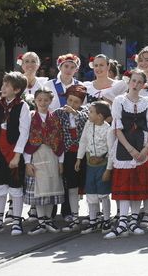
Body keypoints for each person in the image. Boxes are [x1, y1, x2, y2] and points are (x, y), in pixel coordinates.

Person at [108, 70, 148, 237]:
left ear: (143, 85)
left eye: (139, 82)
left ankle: (133, 221)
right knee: (124, 184)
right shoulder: (119, 101)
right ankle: (122, 221)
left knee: (138, 183)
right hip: (125, 146)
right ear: (128, 82)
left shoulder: (147, 102)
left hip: (142, 146)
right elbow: (117, 128)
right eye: (134, 81)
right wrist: (130, 149)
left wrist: (146, 148)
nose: (136, 84)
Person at [0, 72, 31, 235]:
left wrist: (17, 155)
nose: (3, 88)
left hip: (14, 151)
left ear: (16, 90)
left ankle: (17, 221)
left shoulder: (23, 106)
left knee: (16, 188)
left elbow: (24, 132)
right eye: (3, 84)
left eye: (7, 85)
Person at [23, 87, 65, 234]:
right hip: (36, 155)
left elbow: (60, 140)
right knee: (39, 189)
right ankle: (41, 221)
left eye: (46, 100)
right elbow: (25, 140)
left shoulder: (54, 118)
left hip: (52, 155)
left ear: (51, 101)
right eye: (39, 100)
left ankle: (48, 219)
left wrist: (61, 162)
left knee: (51, 187)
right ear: (34, 100)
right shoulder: (30, 116)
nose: (43, 102)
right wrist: (27, 162)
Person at [53, 84, 90, 229]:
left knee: (86, 182)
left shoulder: (85, 112)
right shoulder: (59, 113)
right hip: (67, 153)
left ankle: (92, 213)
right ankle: (69, 212)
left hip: (84, 153)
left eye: (76, 102)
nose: (72, 104)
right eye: (70, 100)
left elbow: (87, 121)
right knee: (69, 183)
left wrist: (75, 113)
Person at [76, 101, 113, 233]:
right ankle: (93, 221)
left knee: (103, 194)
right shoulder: (88, 125)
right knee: (90, 193)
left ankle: (107, 219)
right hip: (90, 165)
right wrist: (79, 159)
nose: (88, 114)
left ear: (100, 116)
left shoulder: (108, 130)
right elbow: (83, 141)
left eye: (91, 112)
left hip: (102, 166)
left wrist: (108, 170)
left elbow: (111, 151)